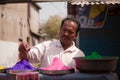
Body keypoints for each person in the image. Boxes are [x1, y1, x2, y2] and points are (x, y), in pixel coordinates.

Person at [18, 17, 85, 71]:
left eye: (70, 32)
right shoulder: (46, 46)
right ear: (60, 30)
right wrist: (23, 49)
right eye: (64, 30)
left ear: (76, 35)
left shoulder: (79, 55)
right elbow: (26, 56)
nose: (66, 34)